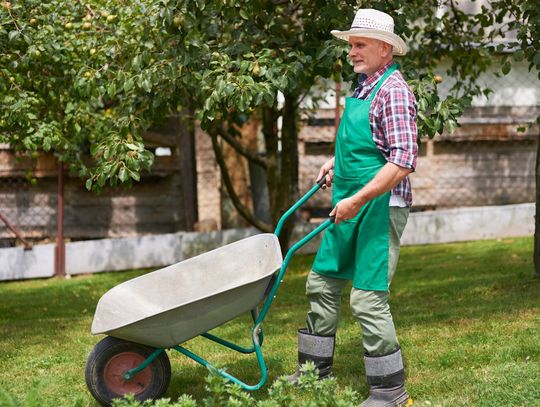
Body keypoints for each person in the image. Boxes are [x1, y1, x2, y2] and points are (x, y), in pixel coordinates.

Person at [288, 8, 418, 407]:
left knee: (367, 297)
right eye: (351, 45)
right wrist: (334, 163)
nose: (352, 52)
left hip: (377, 208)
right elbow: (367, 145)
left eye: (359, 45)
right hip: (348, 201)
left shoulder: (394, 91)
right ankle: (314, 373)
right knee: (322, 282)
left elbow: (401, 161)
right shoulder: (365, 86)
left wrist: (358, 199)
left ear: (384, 49)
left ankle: (390, 391)